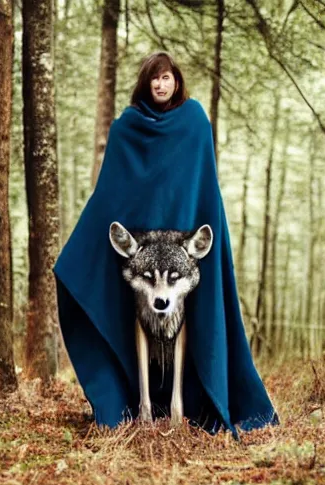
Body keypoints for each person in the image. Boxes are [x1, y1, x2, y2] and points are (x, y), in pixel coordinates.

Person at [54, 51, 278, 436]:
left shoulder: (193, 121)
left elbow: (199, 183)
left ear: (177, 81)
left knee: (188, 318)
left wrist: (197, 231)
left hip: (184, 241)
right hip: (141, 246)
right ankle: (135, 403)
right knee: (135, 318)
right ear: (146, 83)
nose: (161, 84)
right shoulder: (128, 126)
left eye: (167, 77)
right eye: (154, 78)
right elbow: (113, 189)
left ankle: (184, 405)